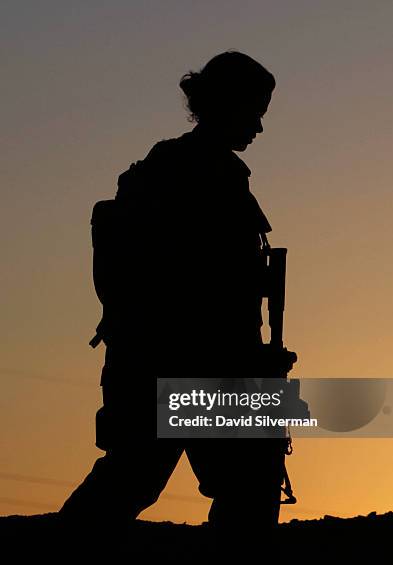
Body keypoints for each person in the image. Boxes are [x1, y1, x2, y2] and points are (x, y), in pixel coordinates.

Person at [59, 50, 289, 530]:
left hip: (167, 364)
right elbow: (206, 291)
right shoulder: (199, 174)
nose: (259, 128)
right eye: (255, 113)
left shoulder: (182, 168)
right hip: (191, 364)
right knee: (236, 485)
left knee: (136, 478)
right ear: (227, 105)